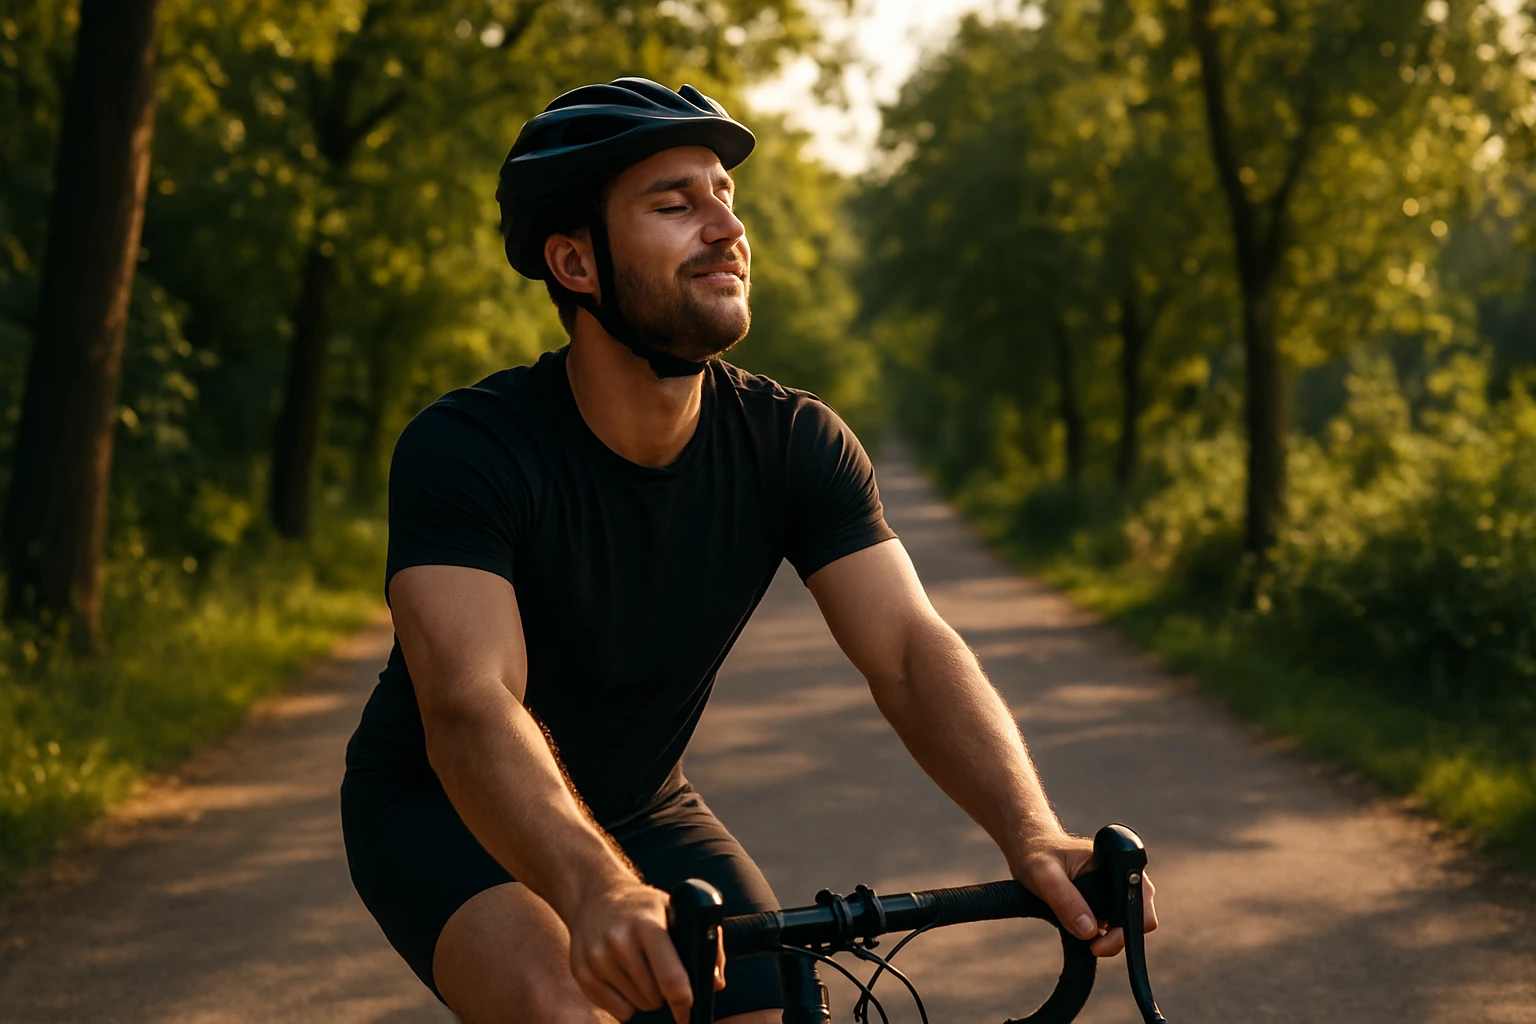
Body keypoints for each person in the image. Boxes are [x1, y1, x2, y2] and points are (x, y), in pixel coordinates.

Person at [340, 77, 1157, 1024]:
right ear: (574, 262)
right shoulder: (468, 450)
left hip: (646, 809)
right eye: (674, 204)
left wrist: (1031, 834)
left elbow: (908, 651)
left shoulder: (794, 443)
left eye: (725, 198)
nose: (726, 227)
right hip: (440, 807)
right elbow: (471, 706)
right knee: (563, 1003)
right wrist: (594, 891)